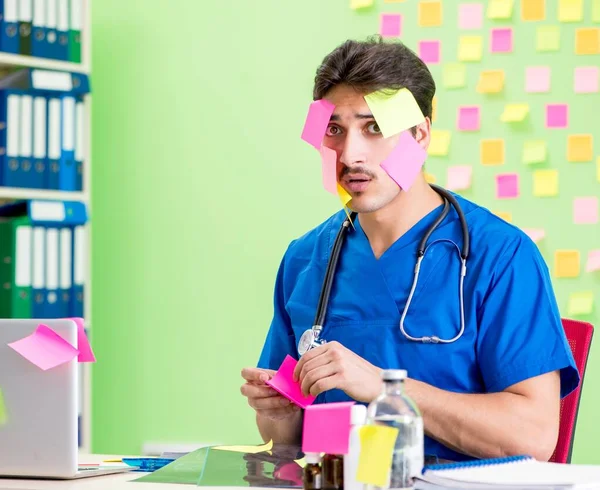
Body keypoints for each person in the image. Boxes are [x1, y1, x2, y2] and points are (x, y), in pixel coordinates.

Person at [240, 36, 579, 463]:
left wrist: (384, 387)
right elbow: (285, 440)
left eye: (374, 128)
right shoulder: (306, 259)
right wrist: (279, 413)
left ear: (420, 134)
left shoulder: (500, 256)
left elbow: (533, 437)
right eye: (335, 130)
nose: (350, 155)